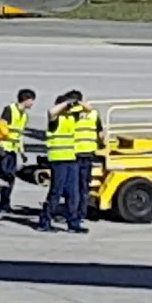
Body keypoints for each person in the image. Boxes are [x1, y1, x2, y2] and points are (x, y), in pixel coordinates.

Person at [35, 94, 87, 233]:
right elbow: (51, 112)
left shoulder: (72, 118)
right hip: (58, 161)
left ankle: (73, 223)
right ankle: (44, 222)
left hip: (71, 160)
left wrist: (76, 102)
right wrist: (65, 104)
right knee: (55, 192)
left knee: (73, 194)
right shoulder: (55, 120)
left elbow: (89, 109)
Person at [66, 90, 102, 223]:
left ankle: (72, 213)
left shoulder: (70, 114)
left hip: (73, 155)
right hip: (88, 155)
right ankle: (81, 214)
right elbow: (101, 134)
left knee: (72, 187)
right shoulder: (93, 114)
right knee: (84, 187)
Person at [0, 88, 35, 213]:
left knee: (10, 179)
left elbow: (19, 135)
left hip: (13, 150)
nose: (32, 104)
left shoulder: (24, 116)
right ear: (26, 100)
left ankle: (5, 204)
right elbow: (1, 128)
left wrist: (22, 152)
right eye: (32, 101)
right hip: (4, 148)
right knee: (3, 177)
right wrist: (0, 146)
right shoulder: (10, 110)